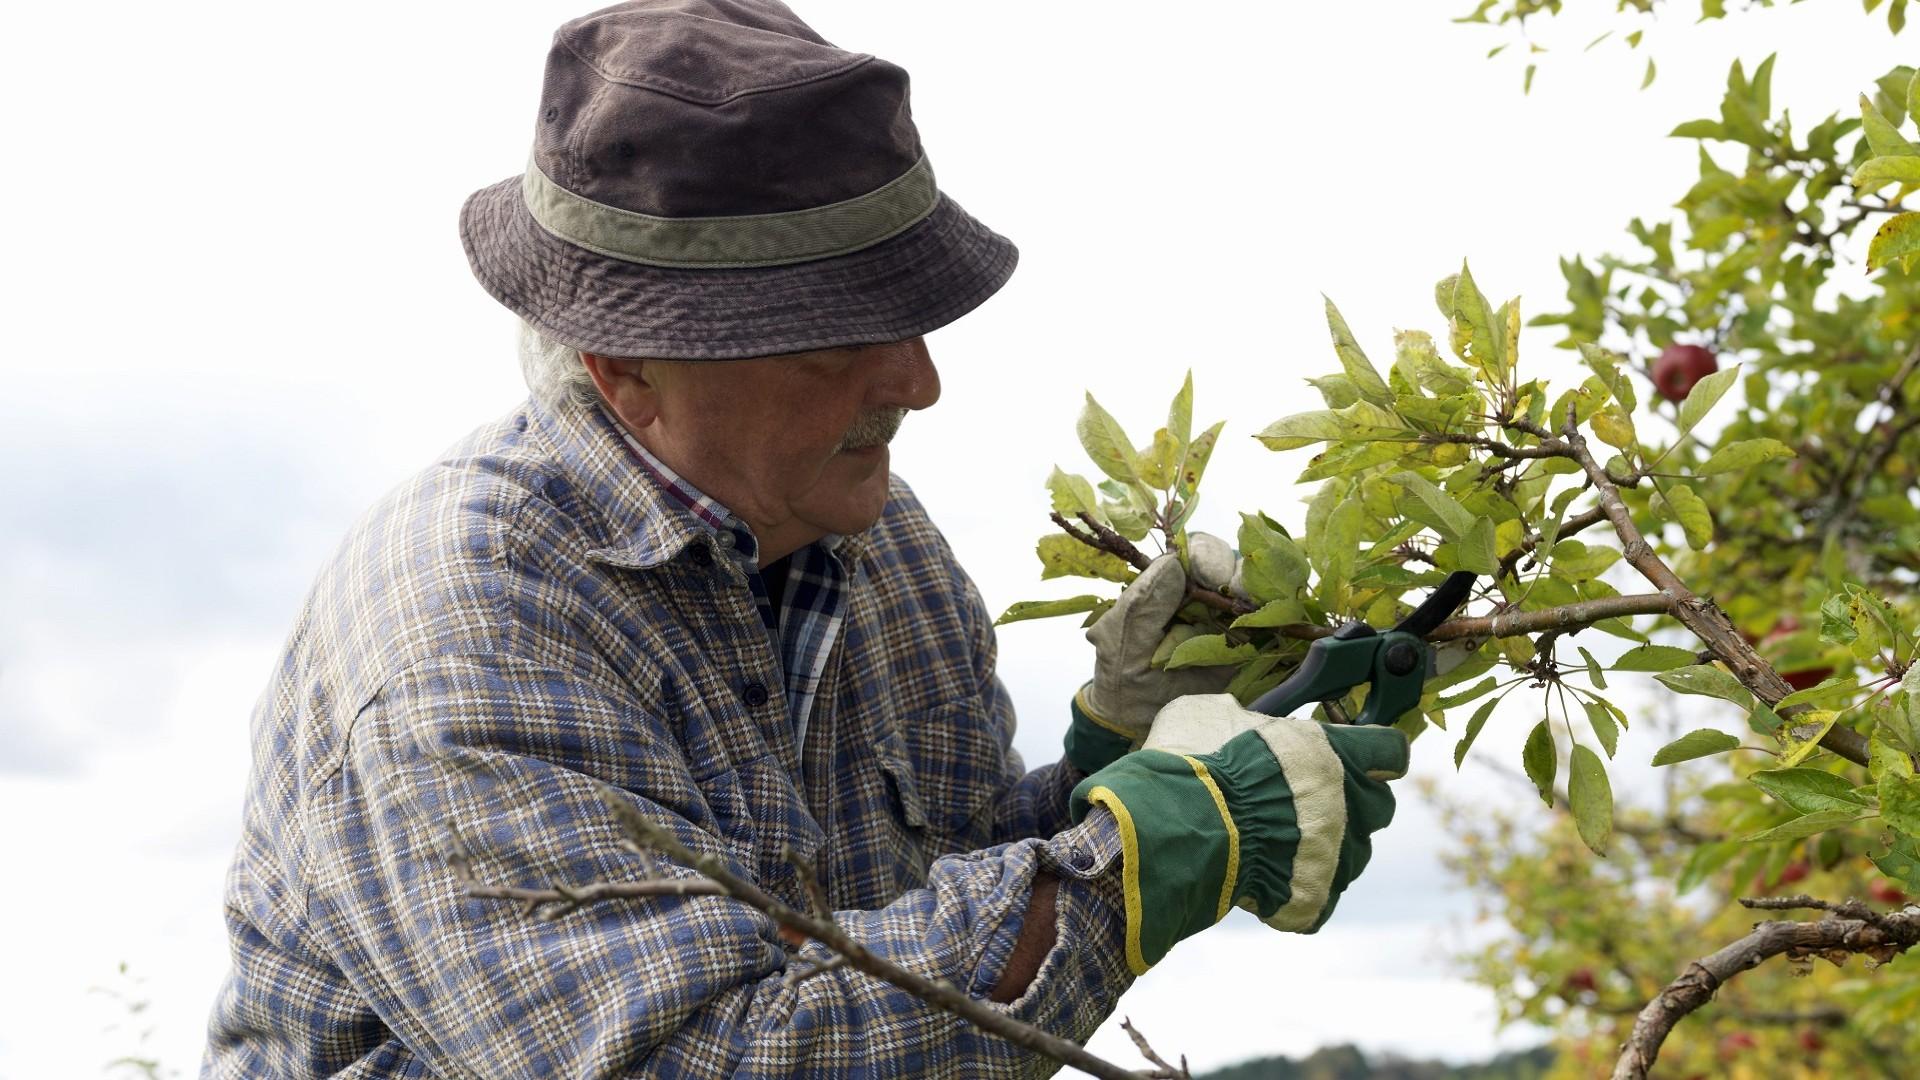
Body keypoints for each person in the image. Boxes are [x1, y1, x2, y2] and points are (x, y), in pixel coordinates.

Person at [200, 2, 1408, 1075]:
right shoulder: (464, 628)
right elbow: (694, 1056)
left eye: (913, 315)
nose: (920, 382)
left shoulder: (879, 542)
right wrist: (1143, 862)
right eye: (835, 335)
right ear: (625, 368)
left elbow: (928, 924)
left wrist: (1117, 760)